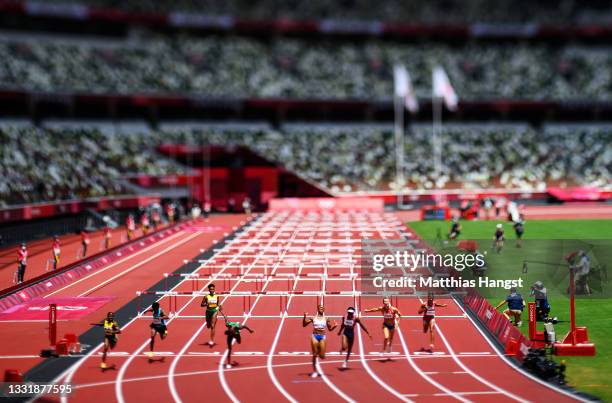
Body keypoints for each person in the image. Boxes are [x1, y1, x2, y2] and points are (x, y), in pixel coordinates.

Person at [303, 305, 337, 378]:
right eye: (320, 308)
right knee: (314, 354)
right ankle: (315, 371)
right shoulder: (313, 318)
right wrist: (304, 317)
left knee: (322, 356)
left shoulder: (326, 318)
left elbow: (330, 329)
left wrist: (334, 326)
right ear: (318, 309)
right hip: (314, 336)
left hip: (322, 337)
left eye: (322, 308)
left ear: (324, 310)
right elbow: (304, 325)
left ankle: (318, 350)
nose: (321, 309)